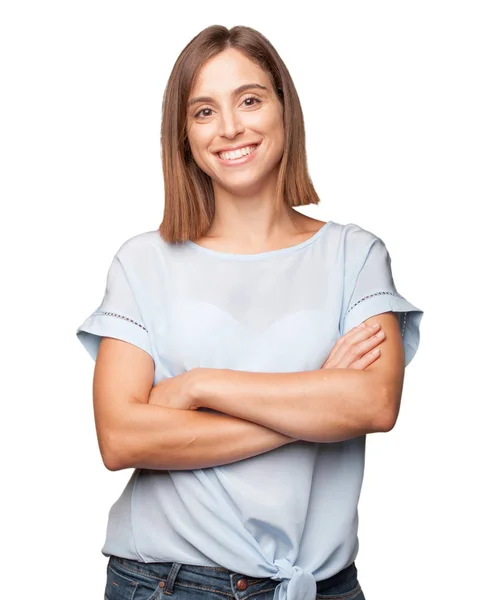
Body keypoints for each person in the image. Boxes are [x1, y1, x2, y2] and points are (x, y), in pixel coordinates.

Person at [76, 24, 424, 600]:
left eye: (250, 100)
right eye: (204, 111)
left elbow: (374, 402)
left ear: (284, 109)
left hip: (322, 586)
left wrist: (198, 386)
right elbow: (121, 437)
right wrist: (313, 405)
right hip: (165, 583)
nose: (231, 127)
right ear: (183, 134)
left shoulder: (354, 255)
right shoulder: (141, 262)